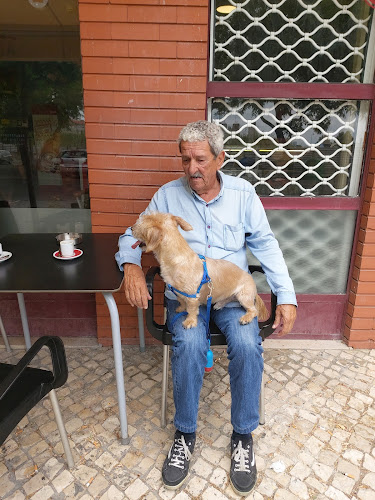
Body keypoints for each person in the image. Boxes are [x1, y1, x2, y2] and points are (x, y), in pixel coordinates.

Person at [115, 120, 297, 496]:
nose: (191, 169)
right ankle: (184, 434)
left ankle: (243, 437)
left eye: (200, 159)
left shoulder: (244, 194)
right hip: (187, 296)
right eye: (185, 160)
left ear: (220, 158)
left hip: (230, 294)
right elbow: (134, 232)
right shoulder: (167, 196)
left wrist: (287, 295)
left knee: (247, 345)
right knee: (190, 344)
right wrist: (131, 265)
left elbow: (266, 244)